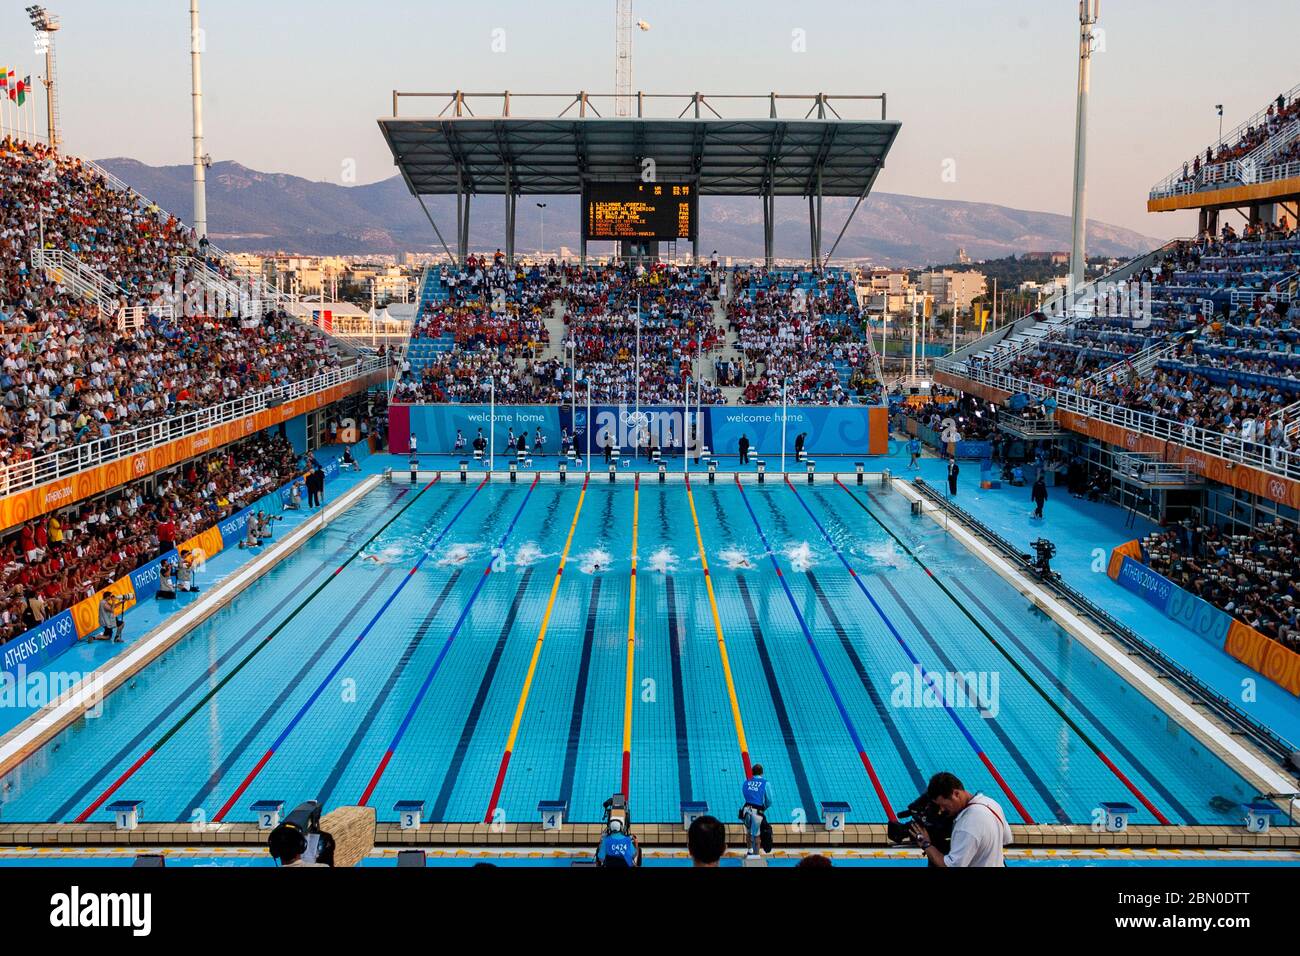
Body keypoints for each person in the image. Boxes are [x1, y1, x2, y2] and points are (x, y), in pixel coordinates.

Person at [909, 771, 1012, 867]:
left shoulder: (966, 824)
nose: (941, 810)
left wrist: (925, 843)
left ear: (956, 794)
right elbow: (1006, 838)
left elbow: (949, 865)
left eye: (944, 805)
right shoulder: (992, 804)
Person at [738, 764, 773, 855]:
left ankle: (750, 851)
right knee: (756, 834)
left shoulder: (746, 782)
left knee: (748, 831)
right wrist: (763, 808)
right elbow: (769, 800)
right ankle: (756, 856)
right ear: (762, 773)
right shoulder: (765, 783)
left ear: (752, 772)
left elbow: (746, 795)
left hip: (746, 810)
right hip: (757, 812)